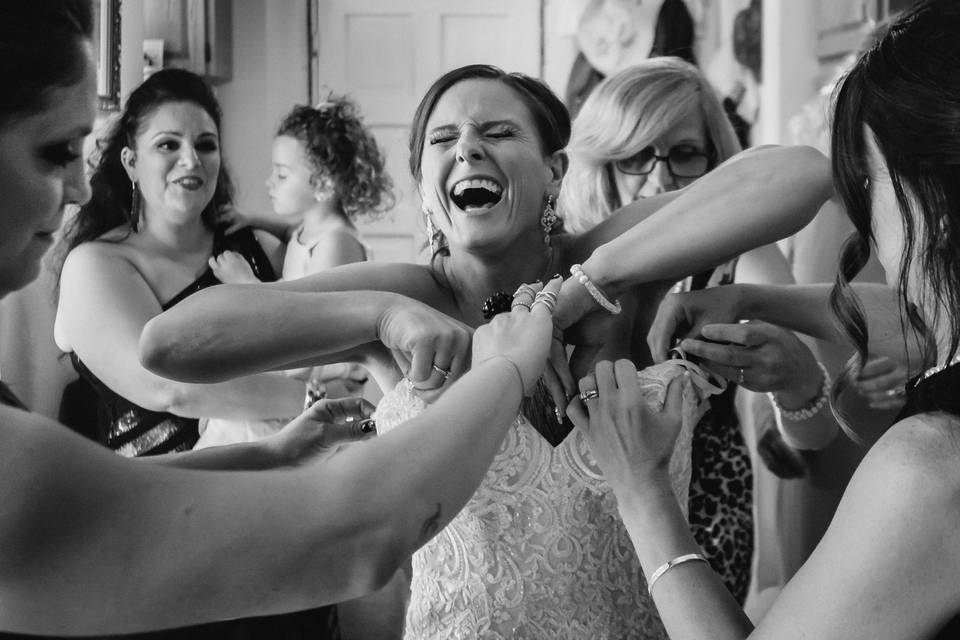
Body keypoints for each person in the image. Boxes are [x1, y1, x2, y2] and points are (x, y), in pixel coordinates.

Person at [140, 64, 831, 638]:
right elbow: (171, 343)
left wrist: (588, 287)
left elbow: (799, 175)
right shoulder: (410, 296)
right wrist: (383, 314)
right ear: (427, 191)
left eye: (498, 131)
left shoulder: (622, 267)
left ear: (554, 170)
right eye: (445, 138)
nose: (468, 147)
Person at [0, 3, 562, 635]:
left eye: (206, 144)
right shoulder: (96, 268)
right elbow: (362, 534)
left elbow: (91, 503)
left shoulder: (252, 243)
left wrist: (275, 452)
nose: (78, 186)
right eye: (54, 152)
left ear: (555, 171)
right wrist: (506, 366)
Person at [569, 1, 960, 637]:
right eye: (633, 157)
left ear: (933, 205)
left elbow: (803, 449)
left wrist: (642, 487)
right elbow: (923, 328)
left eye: (871, 184)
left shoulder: (931, 466)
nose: (863, 219)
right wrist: (754, 302)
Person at [559, 56, 801, 602]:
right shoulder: (567, 265)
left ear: (717, 160)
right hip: (578, 527)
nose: (661, 177)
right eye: (637, 156)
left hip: (706, 519)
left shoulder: (739, 259)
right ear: (601, 162)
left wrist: (784, 397)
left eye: (684, 154)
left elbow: (792, 377)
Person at [200, 97, 393, 449]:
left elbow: (303, 318)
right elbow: (292, 236)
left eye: (282, 174)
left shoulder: (336, 244)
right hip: (296, 368)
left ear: (322, 183)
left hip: (320, 379)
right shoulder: (311, 229)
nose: (270, 182)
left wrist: (245, 283)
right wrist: (253, 220)